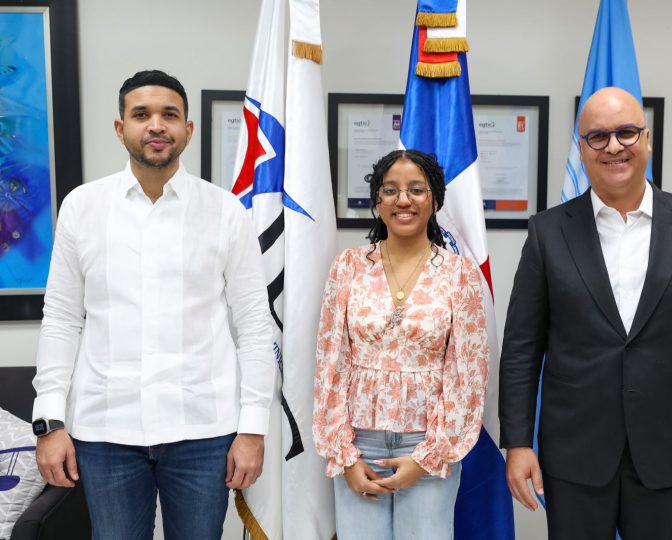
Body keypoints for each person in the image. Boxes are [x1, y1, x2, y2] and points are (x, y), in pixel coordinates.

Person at [32, 70, 276, 540]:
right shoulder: (82, 207)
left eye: (170, 115)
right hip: (106, 432)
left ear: (188, 129)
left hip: (203, 431)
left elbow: (253, 325)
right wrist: (49, 423)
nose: (156, 125)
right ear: (120, 128)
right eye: (141, 114)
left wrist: (252, 429)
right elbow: (61, 318)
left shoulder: (226, 212)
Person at [499, 87, 672, 540]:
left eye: (626, 132)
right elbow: (521, 348)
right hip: (574, 451)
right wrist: (517, 442)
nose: (614, 146)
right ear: (582, 150)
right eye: (598, 136)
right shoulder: (547, 232)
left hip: (668, 447)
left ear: (647, 140)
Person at [313, 149, 489, 540]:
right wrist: (344, 455)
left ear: (435, 200)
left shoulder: (459, 273)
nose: (403, 200)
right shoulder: (348, 266)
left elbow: (468, 373)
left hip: (427, 445)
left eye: (416, 190)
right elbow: (330, 363)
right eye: (390, 190)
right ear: (377, 202)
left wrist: (429, 456)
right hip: (359, 446)